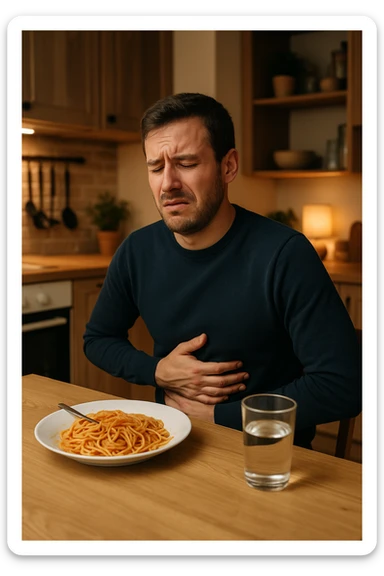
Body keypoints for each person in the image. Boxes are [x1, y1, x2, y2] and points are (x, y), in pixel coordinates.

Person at [83, 92, 362, 449]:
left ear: (228, 166)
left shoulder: (284, 255)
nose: (167, 183)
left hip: (265, 457)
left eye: (185, 163)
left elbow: (344, 385)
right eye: (156, 167)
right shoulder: (136, 250)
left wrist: (220, 418)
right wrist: (156, 371)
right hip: (165, 444)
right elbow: (98, 339)